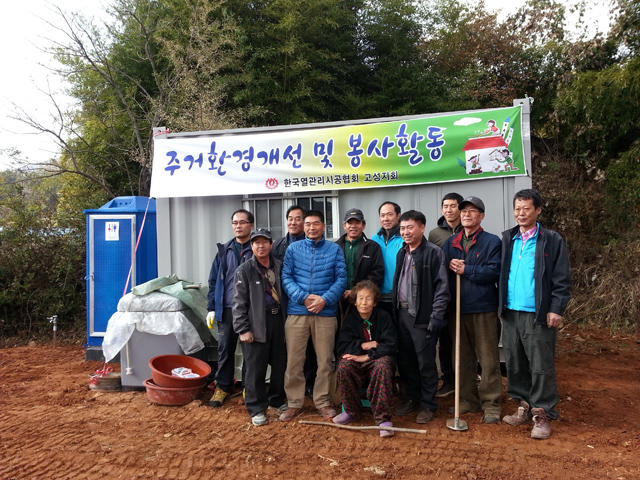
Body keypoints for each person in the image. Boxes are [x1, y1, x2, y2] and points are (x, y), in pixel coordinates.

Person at [499, 189, 571, 440]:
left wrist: (556, 308)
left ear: (538, 210)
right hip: (510, 313)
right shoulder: (508, 238)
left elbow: (561, 278)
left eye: (526, 208)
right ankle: (523, 405)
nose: (521, 213)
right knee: (515, 363)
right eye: (517, 209)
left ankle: (542, 413)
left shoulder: (551, 239)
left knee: (540, 365)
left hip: (538, 314)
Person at [279, 210, 347, 421]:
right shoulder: (293, 249)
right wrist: (303, 297)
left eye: (316, 223)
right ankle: (294, 403)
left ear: (323, 226)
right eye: (307, 224)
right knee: (294, 361)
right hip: (297, 312)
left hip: (325, 313)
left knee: (325, 361)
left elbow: (341, 278)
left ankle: (323, 401)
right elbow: (286, 276)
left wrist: (324, 300)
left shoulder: (334, 249)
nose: (311, 228)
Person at [442, 196, 502, 424]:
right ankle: (468, 399)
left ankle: (491, 403)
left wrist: (467, 269)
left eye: (473, 211)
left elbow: (494, 272)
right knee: (461, 357)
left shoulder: (492, 242)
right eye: (464, 210)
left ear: (482, 215)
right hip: (457, 309)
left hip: (483, 308)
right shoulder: (451, 243)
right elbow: (442, 273)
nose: (467, 214)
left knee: (488, 359)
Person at [392, 210, 450, 424]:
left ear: (422, 227)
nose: (405, 232)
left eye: (410, 227)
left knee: (425, 363)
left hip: (422, 317)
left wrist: (436, 315)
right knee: (406, 361)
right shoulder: (402, 252)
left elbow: (442, 287)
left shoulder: (434, 253)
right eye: (402, 228)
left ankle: (428, 404)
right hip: (402, 314)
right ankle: (412, 398)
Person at [232, 229, 287, 426]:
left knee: (280, 365)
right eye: (257, 242)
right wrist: (243, 329)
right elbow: (238, 303)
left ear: (271, 245)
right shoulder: (245, 270)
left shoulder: (280, 266)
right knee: (255, 369)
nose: (261, 246)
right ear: (251, 246)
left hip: (279, 321)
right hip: (256, 323)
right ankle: (256, 407)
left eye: (265, 242)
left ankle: (276, 399)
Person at [334, 280, 397, 438]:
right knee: (344, 365)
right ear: (355, 302)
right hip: (358, 360)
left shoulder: (383, 317)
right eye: (360, 298)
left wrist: (368, 356)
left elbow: (390, 345)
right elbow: (342, 346)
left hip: (376, 360)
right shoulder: (350, 319)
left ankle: (383, 419)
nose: (364, 302)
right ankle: (351, 411)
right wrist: (363, 346)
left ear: (374, 302)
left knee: (383, 365)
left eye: (368, 298)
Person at [207, 209, 254, 407]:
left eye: (242, 222)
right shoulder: (224, 250)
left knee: (250, 351)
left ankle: (248, 388)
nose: (238, 226)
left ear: (251, 225)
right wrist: (212, 307)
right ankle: (223, 387)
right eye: (235, 223)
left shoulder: (257, 248)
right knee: (225, 350)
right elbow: (213, 281)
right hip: (226, 308)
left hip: (250, 309)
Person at [428, 192, 464, 399]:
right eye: (445, 206)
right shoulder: (435, 234)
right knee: (445, 341)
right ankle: (449, 380)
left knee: (463, 341)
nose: (449, 210)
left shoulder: (468, 229)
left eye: (453, 206)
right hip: (442, 293)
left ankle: (465, 381)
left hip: (464, 292)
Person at [335, 207, 384, 304]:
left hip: (363, 299)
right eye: (350, 223)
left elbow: (377, 273)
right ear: (344, 225)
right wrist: (338, 290)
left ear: (363, 225)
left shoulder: (373, 247)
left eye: (357, 223)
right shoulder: (335, 247)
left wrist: (356, 291)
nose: (353, 226)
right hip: (338, 298)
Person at [371, 201, 404, 317]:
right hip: (377, 296)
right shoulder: (374, 239)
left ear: (398, 216)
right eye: (382, 215)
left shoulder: (405, 238)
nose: (386, 219)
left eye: (390, 214)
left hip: (399, 297)